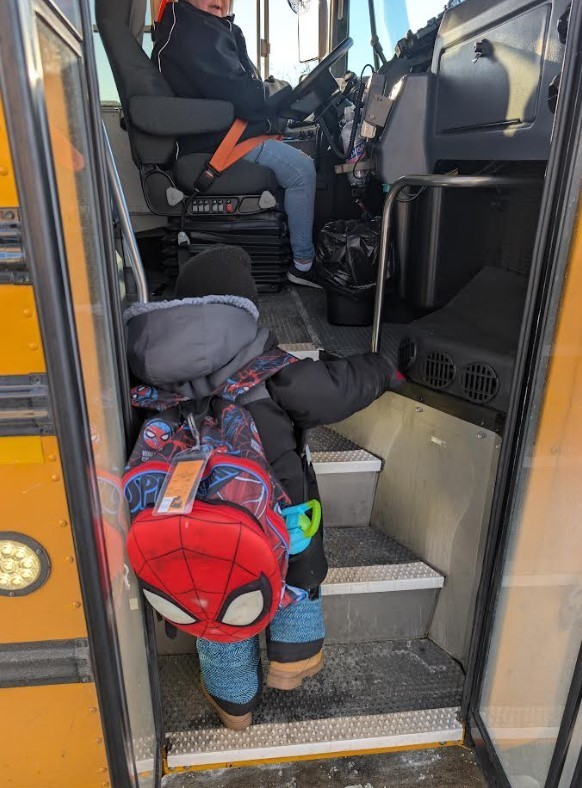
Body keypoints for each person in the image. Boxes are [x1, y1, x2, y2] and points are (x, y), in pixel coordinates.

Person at [125, 245, 403, 729]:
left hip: (191, 529)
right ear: (243, 309)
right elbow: (337, 388)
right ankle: (291, 661)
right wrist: (384, 367)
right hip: (282, 514)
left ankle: (235, 706)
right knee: (297, 577)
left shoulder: (145, 373)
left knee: (215, 602)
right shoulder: (269, 370)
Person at [152, 0, 321, 288]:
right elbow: (243, 95)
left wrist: (272, 92)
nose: (218, 0)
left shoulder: (200, 26)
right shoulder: (195, 31)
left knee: (298, 151)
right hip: (216, 143)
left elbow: (238, 86)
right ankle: (303, 265)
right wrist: (282, 89)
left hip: (225, 134)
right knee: (301, 170)